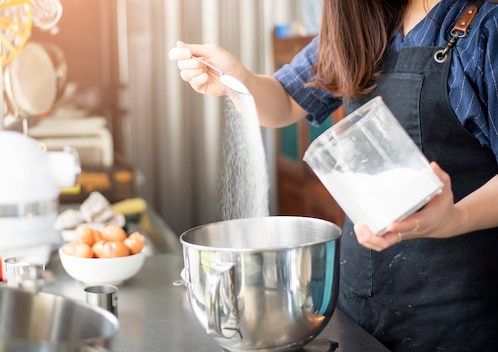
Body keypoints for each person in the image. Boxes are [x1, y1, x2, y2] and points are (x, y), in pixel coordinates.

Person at [169, 1, 498, 351]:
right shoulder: (364, 22)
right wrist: (240, 81)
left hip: (455, 314)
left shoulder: (485, 31)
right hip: (360, 305)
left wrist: (454, 217)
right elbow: (283, 101)